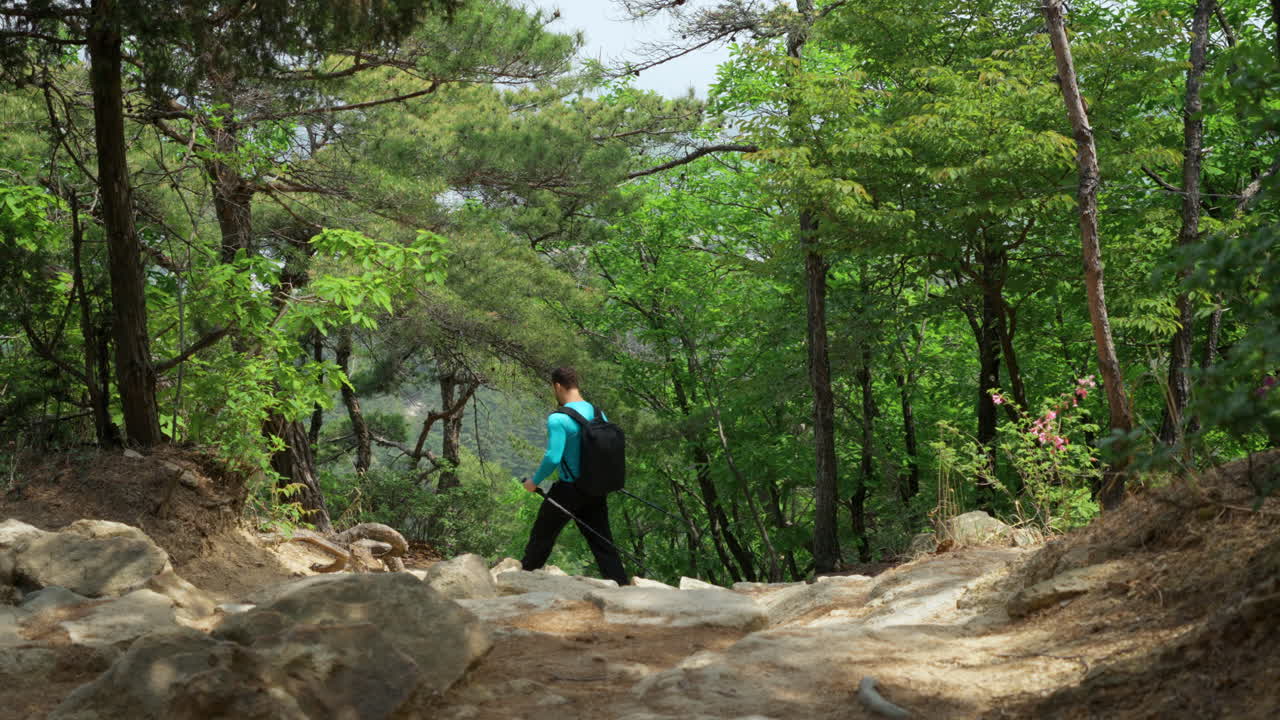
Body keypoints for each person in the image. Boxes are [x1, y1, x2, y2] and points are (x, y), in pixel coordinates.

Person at [520, 366, 629, 586]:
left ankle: (522, 581)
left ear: (557, 386)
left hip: (568, 491)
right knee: (603, 544)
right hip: (595, 489)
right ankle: (621, 586)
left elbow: (553, 457)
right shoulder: (599, 413)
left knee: (541, 538)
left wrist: (534, 482)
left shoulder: (558, 419)